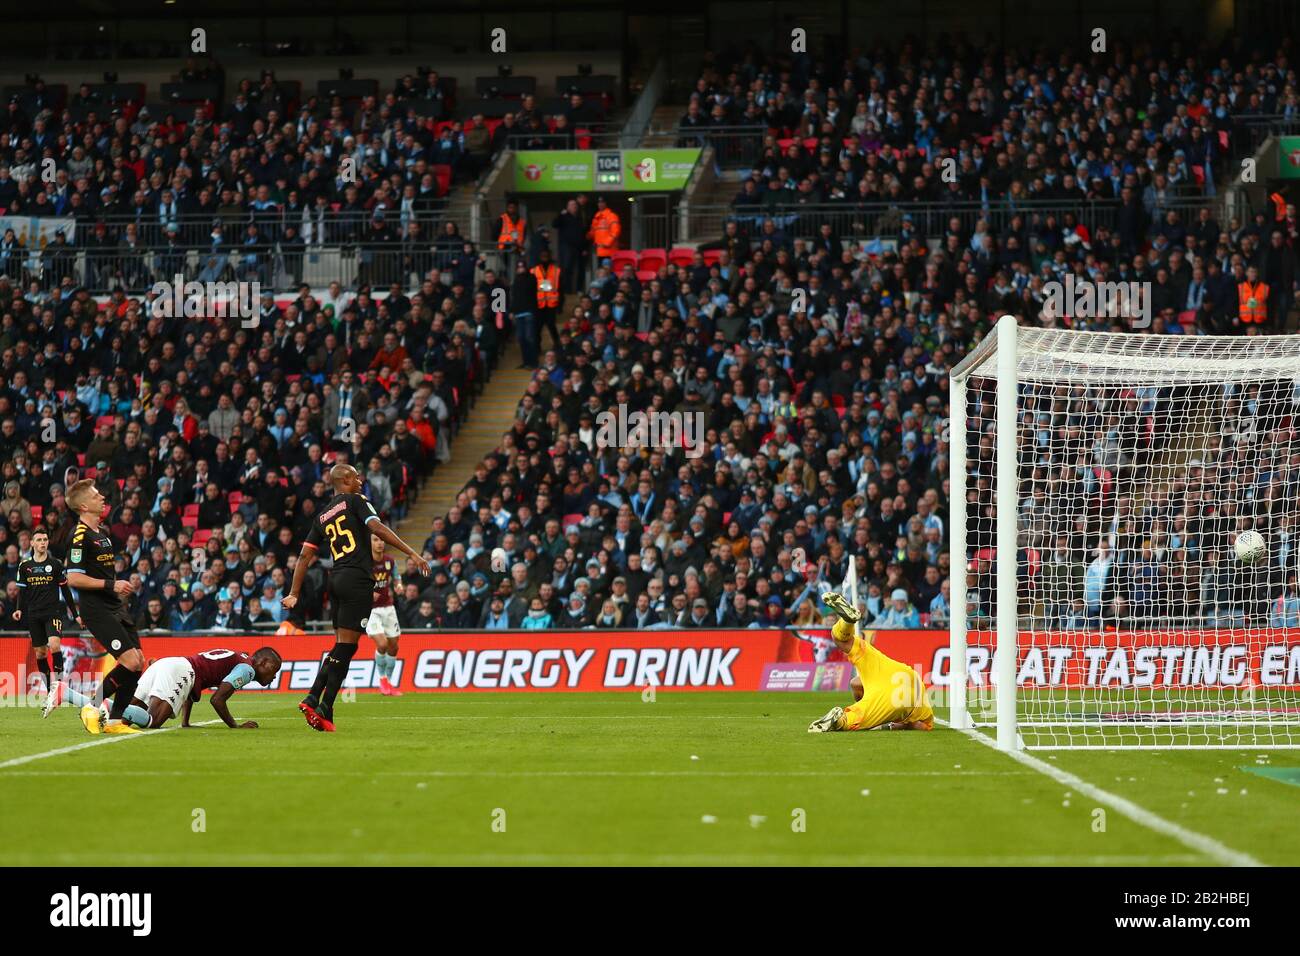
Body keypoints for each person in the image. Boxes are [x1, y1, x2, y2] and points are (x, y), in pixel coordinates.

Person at [282, 464, 429, 732]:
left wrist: (293, 592)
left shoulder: (323, 515)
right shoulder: (356, 501)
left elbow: (304, 556)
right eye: (357, 477)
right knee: (346, 649)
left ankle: (320, 703)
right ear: (346, 479)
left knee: (341, 647)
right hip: (357, 581)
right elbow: (378, 528)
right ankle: (319, 701)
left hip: (335, 580)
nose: (361, 481)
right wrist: (411, 553)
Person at [60, 479, 143, 735]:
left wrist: (115, 587)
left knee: (138, 662)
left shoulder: (101, 534)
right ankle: (93, 708)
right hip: (96, 608)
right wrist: (112, 584)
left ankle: (116, 722)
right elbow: (73, 578)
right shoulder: (79, 535)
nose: (102, 499)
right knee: (129, 661)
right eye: (96, 496)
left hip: (114, 605)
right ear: (84, 506)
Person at [53, 647, 281, 731]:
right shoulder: (247, 669)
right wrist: (235, 726)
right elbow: (217, 700)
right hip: (181, 671)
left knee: (122, 720)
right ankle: (95, 702)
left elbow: (195, 688)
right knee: (153, 721)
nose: (274, 676)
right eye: (274, 669)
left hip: (168, 665)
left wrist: (185, 722)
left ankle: (68, 695)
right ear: (263, 663)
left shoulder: (237, 657)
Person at [807, 592, 934, 733]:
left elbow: (855, 684)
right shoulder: (871, 687)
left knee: (841, 639)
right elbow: (922, 726)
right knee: (842, 640)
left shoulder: (872, 691)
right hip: (906, 676)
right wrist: (893, 724)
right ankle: (846, 621)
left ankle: (847, 622)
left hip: (899, 689)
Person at [13, 529, 80, 698]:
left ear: (47, 543)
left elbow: (65, 591)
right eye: (39, 540)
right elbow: (22, 591)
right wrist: (19, 609)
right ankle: (51, 690)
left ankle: (59, 686)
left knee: (55, 645)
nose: (43, 542)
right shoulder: (25, 566)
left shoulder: (56, 565)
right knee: (40, 653)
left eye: (45, 539)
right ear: (32, 544)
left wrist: (75, 614)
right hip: (34, 614)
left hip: (52, 612)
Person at [366, 535, 404, 696]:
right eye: (375, 540)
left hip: (388, 607)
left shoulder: (390, 561)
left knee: (394, 646)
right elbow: (354, 582)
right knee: (382, 644)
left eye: (382, 540)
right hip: (370, 610)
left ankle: (388, 682)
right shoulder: (364, 562)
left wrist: (399, 585)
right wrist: (367, 593)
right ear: (369, 542)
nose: (380, 543)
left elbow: (396, 577)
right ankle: (382, 680)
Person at [531, 247, 562, 351]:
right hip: (537, 305)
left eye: (546, 255)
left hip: (551, 304)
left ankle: (558, 346)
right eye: (542, 255)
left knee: (551, 326)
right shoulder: (533, 271)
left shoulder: (556, 270)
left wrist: (560, 305)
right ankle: (537, 348)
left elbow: (561, 288)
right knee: (537, 328)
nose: (544, 257)